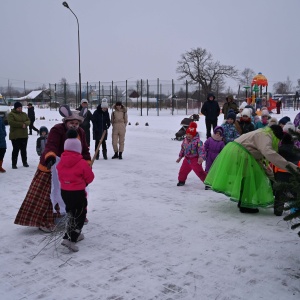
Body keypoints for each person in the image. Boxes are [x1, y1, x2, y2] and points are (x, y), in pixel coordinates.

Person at [14, 105, 91, 232]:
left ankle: (74, 215)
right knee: (50, 194)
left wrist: (87, 163)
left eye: (77, 123)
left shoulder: (81, 133)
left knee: (73, 192)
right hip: (52, 166)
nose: (74, 125)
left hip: (71, 168)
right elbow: (51, 145)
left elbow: (84, 149)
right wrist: (50, 157)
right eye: (72, 122)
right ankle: (45, 221)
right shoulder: (57, 129)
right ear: (66, 121)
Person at [204, 125, 299, 214]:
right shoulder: (266, 137)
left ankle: (244, 202)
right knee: (253, 178)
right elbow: (270, 154)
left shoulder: (263, 133)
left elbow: (259, 157)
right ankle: (245, 205)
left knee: (252, 177)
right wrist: (292, 168)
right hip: (241, 153)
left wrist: (271, 175)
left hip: (239, 152)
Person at [57, 129, 94, 252]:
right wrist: (88, 172)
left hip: (65, 192)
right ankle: (71, 240)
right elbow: (90, 177)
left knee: (71, 213)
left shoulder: (61, 162)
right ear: (78, 148)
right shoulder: (82, 163)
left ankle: (71, 236)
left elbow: (60, 176)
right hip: (78, 193)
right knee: (80, 215)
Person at [273, 131, 300, 216]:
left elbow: (275, 162)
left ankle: (278, 211)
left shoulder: (279, 150)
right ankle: (295, 210)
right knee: (294, 191)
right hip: (293, 173)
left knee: (279, 192)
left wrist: (274, 173)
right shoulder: (296, 150)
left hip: (281, 173)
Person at [176, 122, 206, 186]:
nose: (188, 135)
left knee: (200, 172)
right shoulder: (185, 140)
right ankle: (181, 181)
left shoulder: (198, 142)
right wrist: (180, 157)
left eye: (190, 134)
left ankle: (207, 182)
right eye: (187, 134)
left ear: (194, 134)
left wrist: (201, 157)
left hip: (195, 160)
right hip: (187, 159)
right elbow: (182, 149)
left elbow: (201, 150)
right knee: (183, 171)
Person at [7, 101, 30, 169]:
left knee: (23, 150)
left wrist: (25, 124)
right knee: (16, 150)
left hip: (24, 135)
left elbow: (28, 120)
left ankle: (24, 162)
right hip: (15, 136)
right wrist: (21, 124)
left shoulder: (24, 114)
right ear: (16, 108)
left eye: (21, 107)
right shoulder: (11, 114)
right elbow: (11, 122)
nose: (20, 109)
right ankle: (14, 164)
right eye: (19, 108)